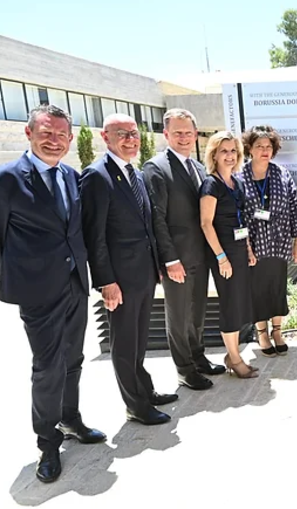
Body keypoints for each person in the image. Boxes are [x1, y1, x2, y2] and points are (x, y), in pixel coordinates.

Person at [0, 105, 105, 483]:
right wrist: (19, 278)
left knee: (74, 358)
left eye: (61, 134)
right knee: (47, 366)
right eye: (47, 132)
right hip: (38, 291)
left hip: (74, 285)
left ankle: (70, 419)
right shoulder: (2, 179)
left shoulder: (70, 175)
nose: (55, 140)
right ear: (29, 134)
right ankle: (47, 443)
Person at [81, 114, 178, 426]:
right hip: (120, 279)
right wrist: (106, 281)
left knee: (138, 340)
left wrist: (157, 265)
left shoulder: (132, 172)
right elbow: (94, 235)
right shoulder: (97, 176)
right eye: (121, 134)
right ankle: (135, 405)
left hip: (144, 273)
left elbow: (147, 225)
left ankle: (145, 392)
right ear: (105, 136)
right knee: (124, 344)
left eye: (134, 133)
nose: (130, 139)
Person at [143, 108, 225, 392]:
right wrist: (169, 259)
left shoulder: (199, 167)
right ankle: (184, 369)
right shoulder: (156, 168)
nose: (184, 137)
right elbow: (157, 219)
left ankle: (198, 356)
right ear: (166, 134)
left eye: (188, 132)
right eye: (177, 132)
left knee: (197, 311)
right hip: (177, 259)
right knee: (178, 315)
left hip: (201, 256)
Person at [239, 125, 297, 356]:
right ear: (250, 148)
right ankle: (262, 334)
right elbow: (237, 216)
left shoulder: (281, 173)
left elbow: (294, 208)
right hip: (253, 246)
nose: (264, 150)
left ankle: (277, 331)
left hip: (279, 244)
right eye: (259, 146)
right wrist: (245, 247)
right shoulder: (239, 176)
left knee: (277, 289)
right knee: (257, 291)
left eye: (268, 146)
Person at [199, 131, 259, 378]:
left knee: (238, 303)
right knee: (229, 305)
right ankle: (234, 358)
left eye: (233, 150)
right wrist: (221, 257)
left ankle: (232, 354)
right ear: (214, 154)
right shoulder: (211, 184)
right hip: (222, 253)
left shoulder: (238, 182)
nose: (230, 156)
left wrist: (248, 249)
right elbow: (205, 223)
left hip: (238, 250)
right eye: (224, 151)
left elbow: (242, 218)